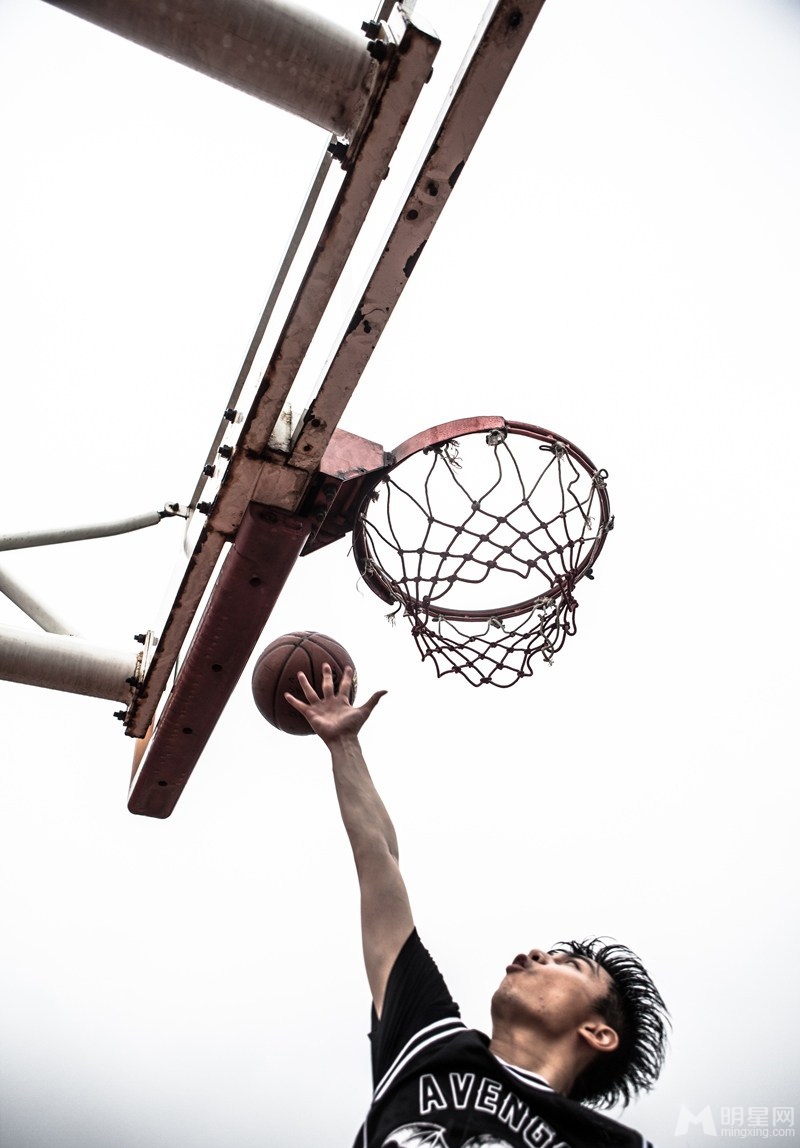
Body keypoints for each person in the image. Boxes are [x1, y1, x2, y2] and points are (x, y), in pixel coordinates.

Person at [287, 664, 669, 1148]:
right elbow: (379, 862)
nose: (537, 954)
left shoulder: (609, 1144)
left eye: (569, 964)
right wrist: (343, 744)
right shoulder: (427, 1038)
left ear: (598, 1032)